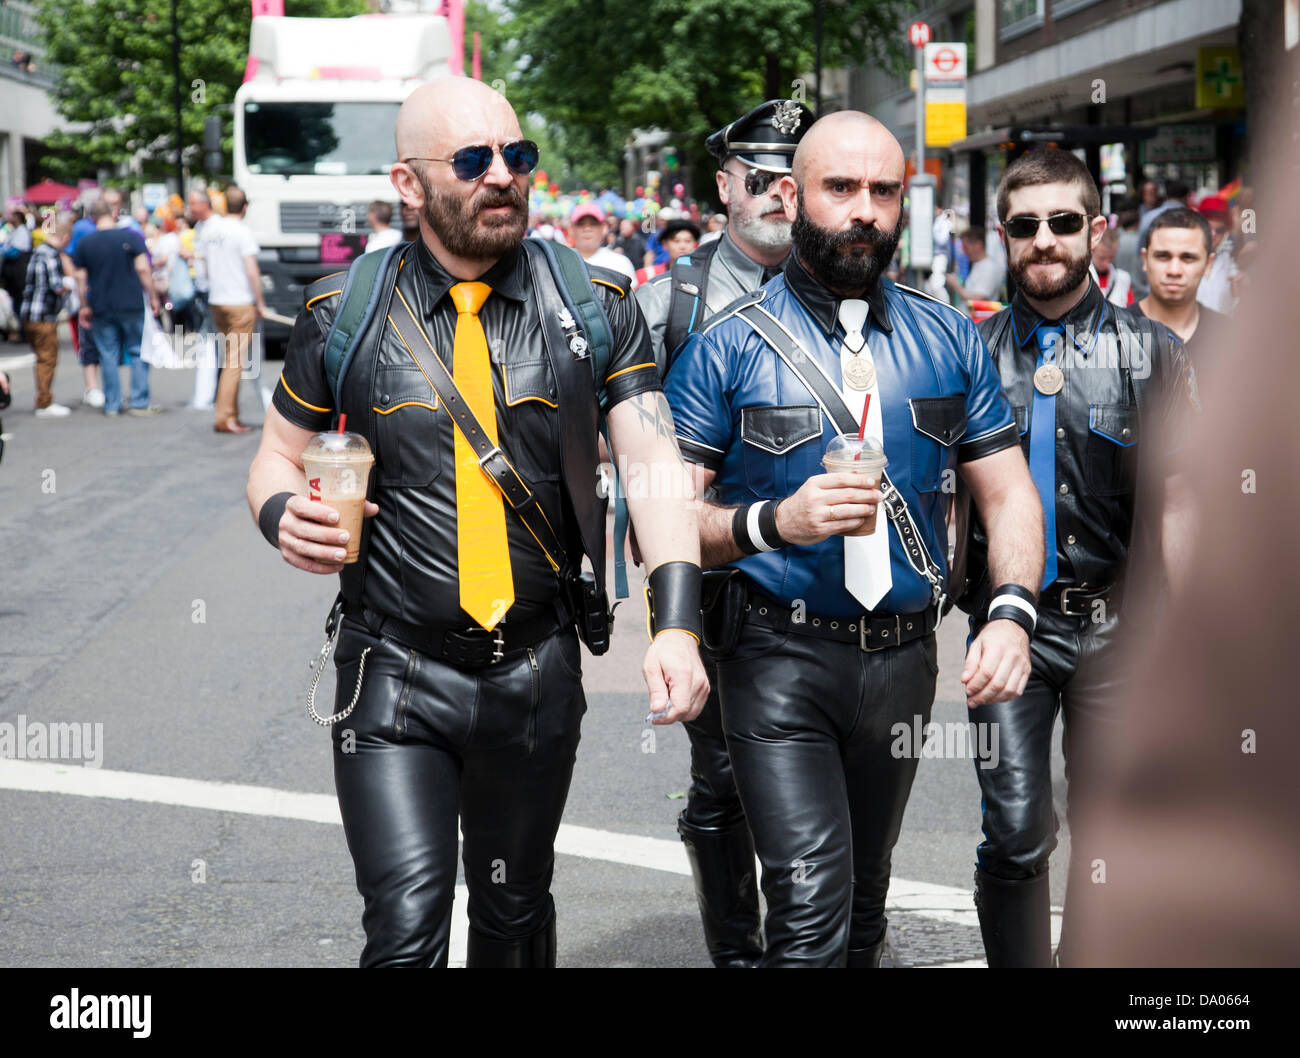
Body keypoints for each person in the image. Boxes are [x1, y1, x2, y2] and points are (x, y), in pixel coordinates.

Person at [245, 77, 708, 969]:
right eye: (472, 160)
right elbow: (273, 454)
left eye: (517, 156)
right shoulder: (340, 311)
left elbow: (653, 468)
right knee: (408, 924)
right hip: (392, 673)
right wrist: (280, 515)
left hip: (535, 673)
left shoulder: (597, 306)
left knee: (511, 913)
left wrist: (676, 623)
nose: (502, 176)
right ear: (409, 185)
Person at [664, 111, 1042, 967]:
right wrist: (774, 521)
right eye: (841, 188)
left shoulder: (949, 338)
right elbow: (664, 518)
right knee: (809, 911)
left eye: (883, 190)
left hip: (906, 662)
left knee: (865, 906)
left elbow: (1010, 494)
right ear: (793, 196)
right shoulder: (725, 348)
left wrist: (1012, 612)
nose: (864, 210)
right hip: (775, 658)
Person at [960, 148, 1196, 967]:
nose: (1045, 240)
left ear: (1097, 232)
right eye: (1026, 226)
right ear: (1004, 237)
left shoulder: (1154, 352)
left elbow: (1183, 501)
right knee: (1018, 829)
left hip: (1122, 629)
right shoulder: (969, 354)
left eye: (1064, 222)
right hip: (1006, 630)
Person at [635, 97, 811, 967]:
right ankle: (739, 956)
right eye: (762, 181)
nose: (781, 196)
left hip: (820, 579)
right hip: (713, 579)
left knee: (818, 780)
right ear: (724, 187)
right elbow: (629, 448)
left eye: (794, 180)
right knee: (722, 785)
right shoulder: (669, 303)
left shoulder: (848, 287)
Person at [72, 198, 161, 416]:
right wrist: (153, 296)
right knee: (138, 351)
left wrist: (84, 306)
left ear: (92, 218)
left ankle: (112, 403)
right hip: (130, 302)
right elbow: (143, 269)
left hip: (101, 305)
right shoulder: (130, 236)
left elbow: (81, 279)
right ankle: (139, 402)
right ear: (113, 214)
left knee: (107, 354)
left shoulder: (86, 243)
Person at [196, 186, 266, 434]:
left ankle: (231, 414)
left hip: (217, 300)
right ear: (245, 207)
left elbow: (201, 263)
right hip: (239, 301)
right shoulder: (242, 231)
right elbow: (251, 271)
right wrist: (260, 303)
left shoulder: (212, 230)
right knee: (234, 363)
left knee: (228, 359)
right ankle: (225, 417)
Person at [1135, 207, 1228, 363]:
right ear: (1145, 260)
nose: (1174, 270)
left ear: (1208, 264)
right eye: (1163, 256)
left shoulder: (1230, 337)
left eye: (1188, 258)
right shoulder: (1113, 337)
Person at [20, 215, 72, 417]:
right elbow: (56, 286)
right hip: (43, 314)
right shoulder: (50, 255)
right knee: (47, 358)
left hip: (29, 312)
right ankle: (44, 402)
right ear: (65, 237)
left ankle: (43, 399)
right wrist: (70, 284)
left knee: (41, 357)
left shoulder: (37, 251)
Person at [63, 203, 104, 407]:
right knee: (88, 341)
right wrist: (76, 282)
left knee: (109, 344)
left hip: (107, 294)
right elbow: (68, 256)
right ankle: (92, 387)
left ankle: (108, 390)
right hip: (88, 293)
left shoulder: (118, 226)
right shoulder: (82, 228)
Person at [569, 203, 635, 281]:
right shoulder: (560, 263)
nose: (587, 229)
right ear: (571, 229)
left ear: (604, 228)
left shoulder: (621, 263)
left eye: (593, 224)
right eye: (581, 224)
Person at [1193, 195, 1235, 315]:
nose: (1213, 234)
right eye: (1208, 227)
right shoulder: (1181, 259)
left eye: (1219, 230)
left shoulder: (1229, 263)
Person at [945, 225, 1006, 305]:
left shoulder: (988, 268)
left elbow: (978, 299)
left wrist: (955, 285)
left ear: (978, 245)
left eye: (966, 247)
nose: (964, 252)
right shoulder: (979, 264)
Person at [1091, 226, 1133, 306]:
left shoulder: (1123, 279)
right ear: (1091, 250)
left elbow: (1129, 312)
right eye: (1102, 258)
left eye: (1111, 258)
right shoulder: (1082, 279)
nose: (1106, 264)